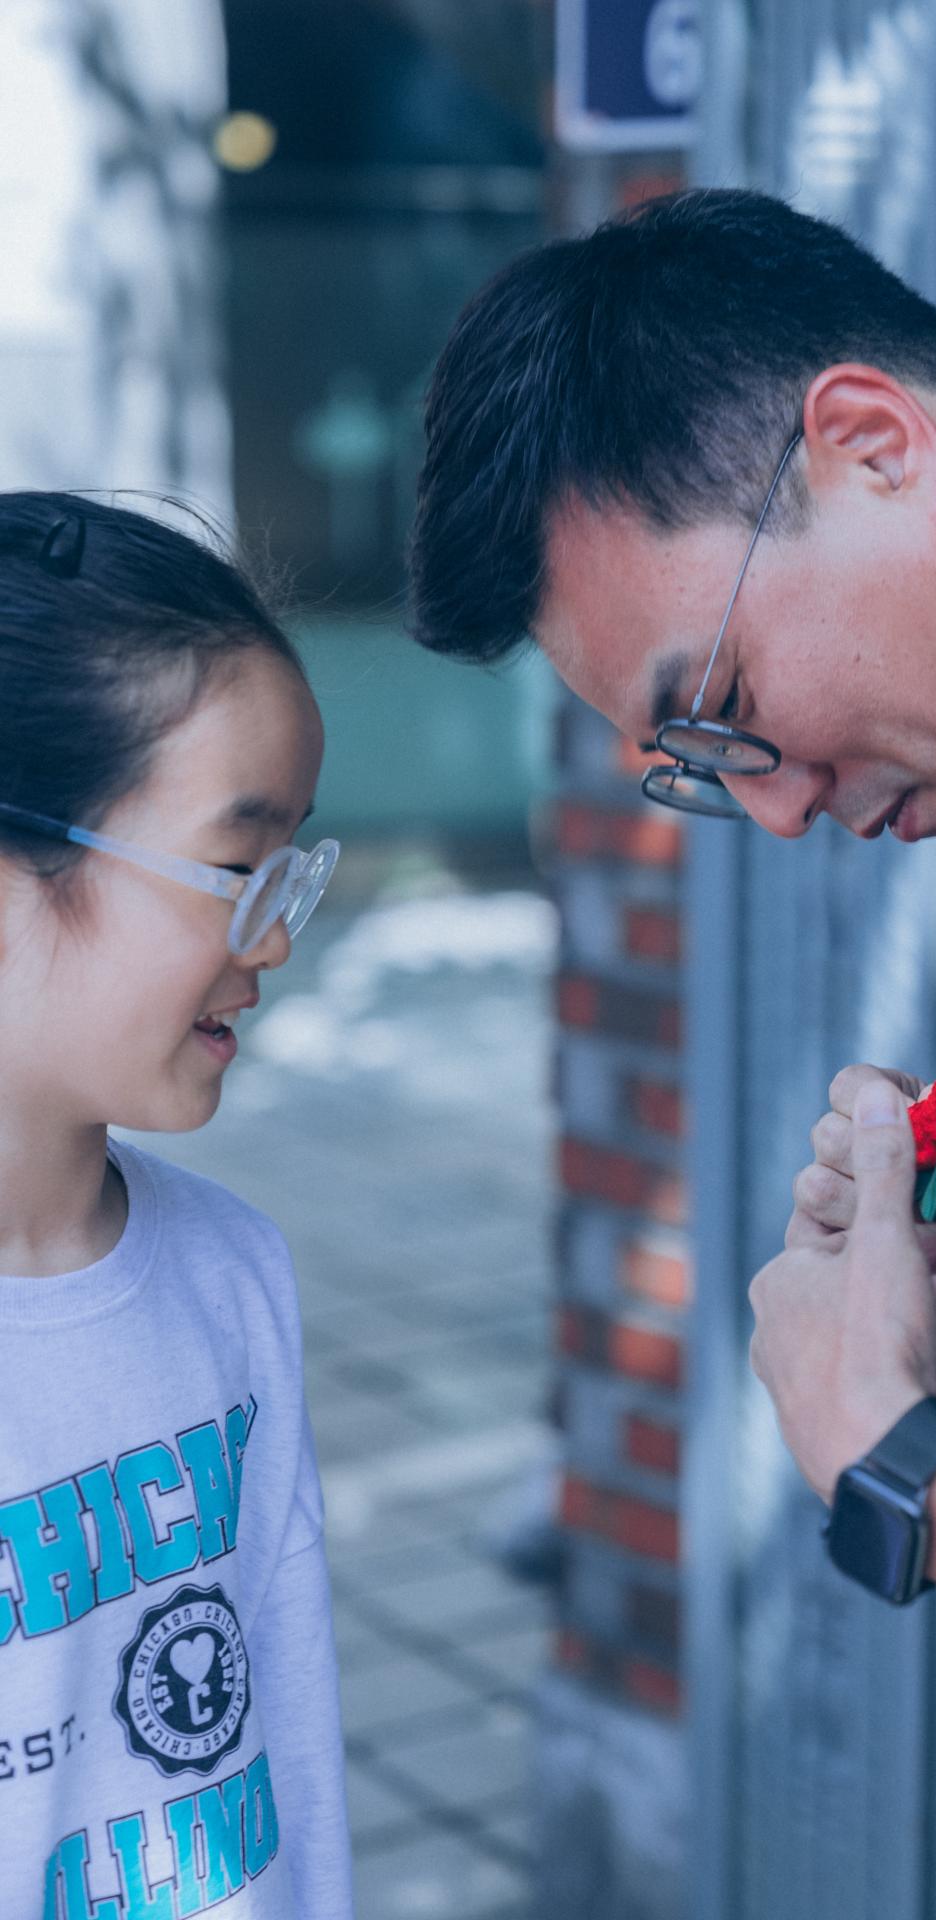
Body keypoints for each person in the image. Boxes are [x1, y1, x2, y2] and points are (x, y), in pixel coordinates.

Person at [407, 186, 936, 1916]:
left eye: (722, 707)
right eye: (699, 772)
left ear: (878, 450)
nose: (777, 811)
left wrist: (886, 1454)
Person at [0, 495, 353, 1917]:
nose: (274, 943)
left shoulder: (230, 1275)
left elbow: (292, 1747)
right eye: (234, 870)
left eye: (291, 873)